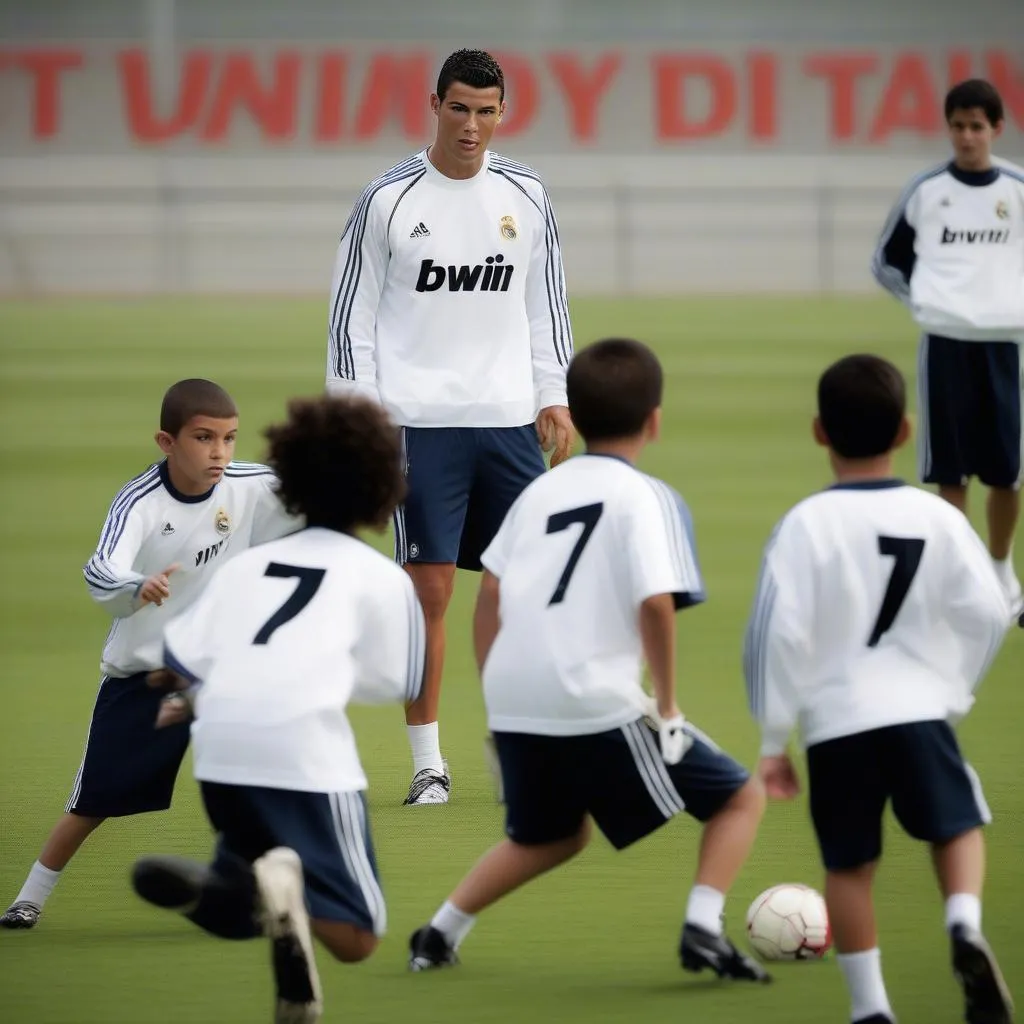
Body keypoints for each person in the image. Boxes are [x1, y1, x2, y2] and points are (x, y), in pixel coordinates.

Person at [407, 338, 769, 983]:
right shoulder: (647, 497)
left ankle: (439, 932)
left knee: (553, 835)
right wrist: (667, 704)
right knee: (740, 799)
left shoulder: (536, 494)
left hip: (518, 699)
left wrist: (498, 690)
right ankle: (703, 929)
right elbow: (656, 604)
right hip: (590, 696)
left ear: (574, 410)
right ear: (654, 421)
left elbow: (489, 590)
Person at [324, 47, 576, 805]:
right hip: (417, 425)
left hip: (507, 424)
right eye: (459, 108)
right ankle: (428, 763)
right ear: (434, 104)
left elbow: (546, 306)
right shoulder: (388, 200)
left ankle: (513, 745)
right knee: (428, 592)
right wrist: (359, 420)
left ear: (504, 112)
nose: (472, 126)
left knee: (517, 588)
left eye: (487, 110)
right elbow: (351, 321)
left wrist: (552, 393)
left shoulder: (527, 195)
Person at [130, 394, 424, 1024]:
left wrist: (188, 694)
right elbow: (394, 682)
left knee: (239, 909)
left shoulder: (248, 566)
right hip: (304, 756)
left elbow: (181, 655)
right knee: (358, 935)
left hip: (221, 752)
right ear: (382, 486)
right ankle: (273, 891)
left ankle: (228, 892)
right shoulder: (381, 578)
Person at [743, 354, 1013, 1024]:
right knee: (957, 826)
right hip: (920, 709)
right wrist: (954, 688)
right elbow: (989, 611)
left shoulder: (804, 523)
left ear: (817, 432)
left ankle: (871, 1009)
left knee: (849, 864)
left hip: (836, 723)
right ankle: (962, 922)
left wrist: (775, 738)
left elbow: (774, 634)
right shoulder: (940, 519)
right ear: (904, 431)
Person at [0, 379, 301, 931]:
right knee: (93, 801)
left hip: (222, 673)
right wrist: (138, 586)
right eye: (204, 437)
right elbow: (101, 569)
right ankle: (30, 898)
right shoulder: (140, 501)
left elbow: (317, 492)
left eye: (230, 438)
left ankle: (261, 891)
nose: (219, 452)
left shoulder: (249, 485)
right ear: (167, 441)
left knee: (259, 784)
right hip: (149, 674)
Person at [871, 78, 1024, 625]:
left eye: (977, 126)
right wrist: (928, 303)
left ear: (997, 129)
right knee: (950, 473)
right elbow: (887, 260)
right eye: (958, 125)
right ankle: (958, 580)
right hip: (944, 344)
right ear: (949, 128)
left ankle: (1003, 573)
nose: (966, 136)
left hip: (1006, 345)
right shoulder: (927, 189)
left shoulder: (1015, 188)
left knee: (1007, 472)